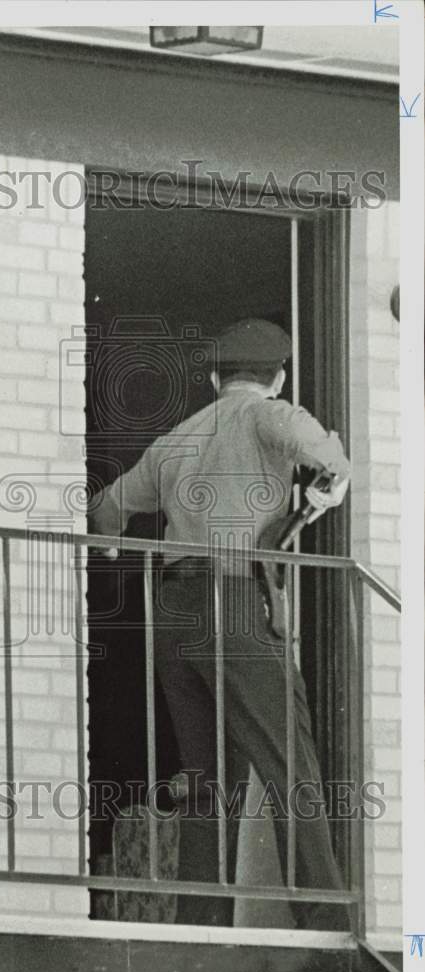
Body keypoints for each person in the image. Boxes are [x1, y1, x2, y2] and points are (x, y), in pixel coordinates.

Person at [91, 318, 351, 930]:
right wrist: (315, 501)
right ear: (278, 376)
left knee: (207, 776)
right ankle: (327, 922)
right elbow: (333, 463)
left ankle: (201, 926)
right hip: (234, 602)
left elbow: (105, 508)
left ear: (214, 378)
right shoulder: (272, 416)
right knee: (290, 760)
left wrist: (106, 548)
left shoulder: (176, 438)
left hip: (173, 613)